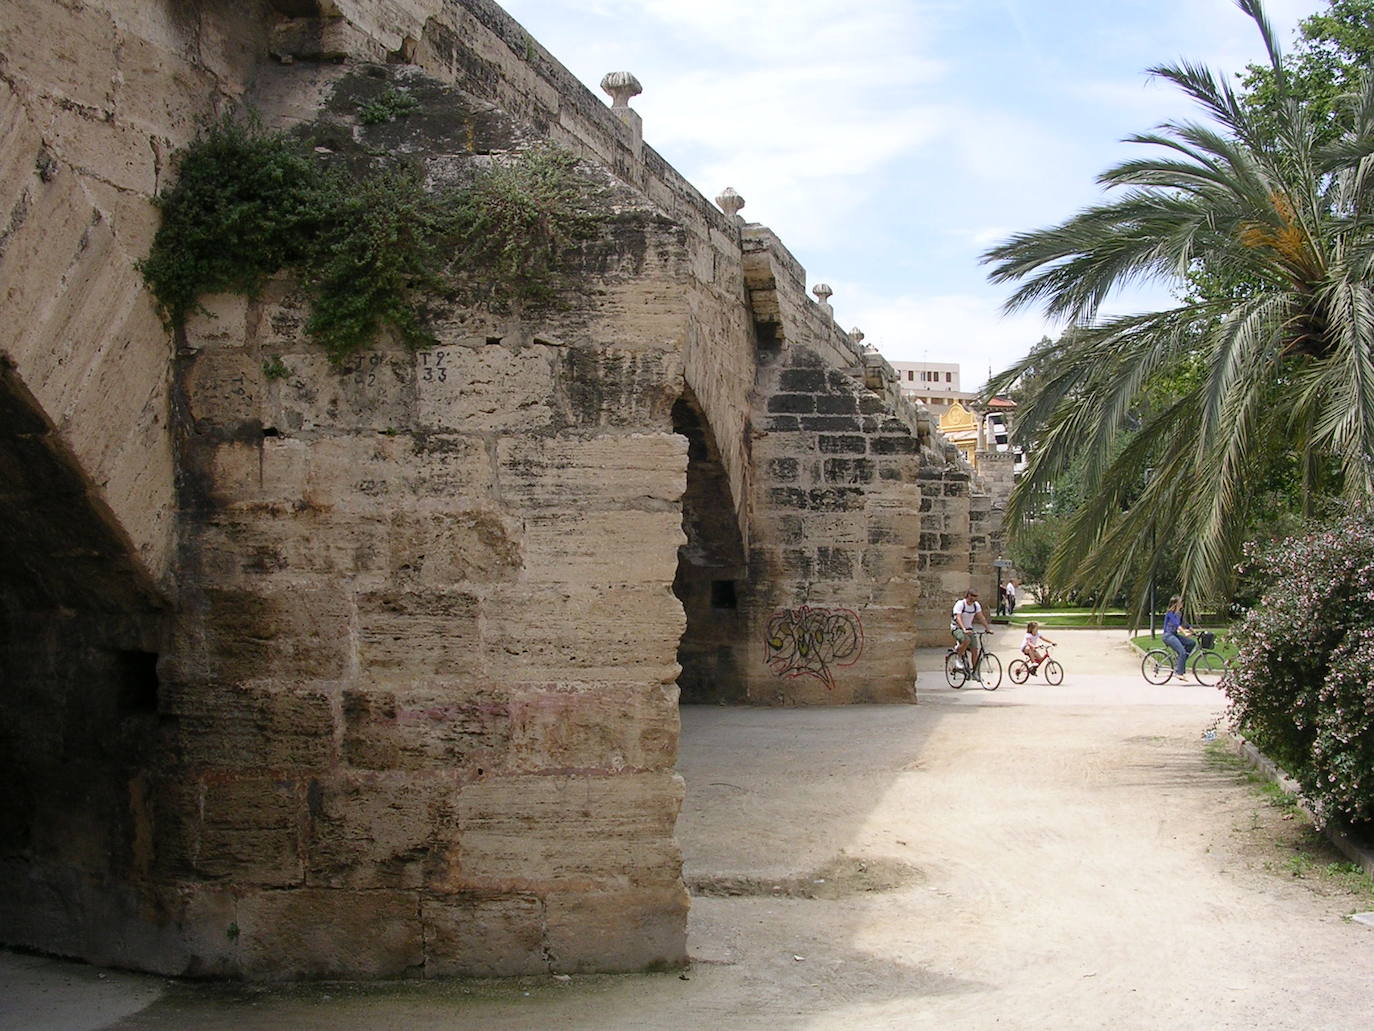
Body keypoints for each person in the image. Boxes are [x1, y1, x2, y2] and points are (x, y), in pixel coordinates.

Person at [951, 588, 992, 679]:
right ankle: (958, 659)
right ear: (968, 595)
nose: (974, 598)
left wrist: (987, 628)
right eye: (973, 596)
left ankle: (975, 672)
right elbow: (958, 617)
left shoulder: (976, 606)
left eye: (976, 596)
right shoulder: (960, 604)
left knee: (975, 649)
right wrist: (963, 629)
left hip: (969, 629)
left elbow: (981, 617)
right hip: (957, 628)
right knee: (966, 640)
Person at [1162, 595, 1195, 678]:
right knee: (1182, 652)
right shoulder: (1170, 613)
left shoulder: (1179, 613)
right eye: (1180, 602)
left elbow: (1184, 623)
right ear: (1175, 604)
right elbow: (1177, 624)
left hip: (1174, 635)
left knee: (1191, 643)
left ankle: (1180, 662)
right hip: (1168, 636)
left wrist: (1193, 630)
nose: (1182, 603)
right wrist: (1185, 633)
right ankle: (1179, 673)